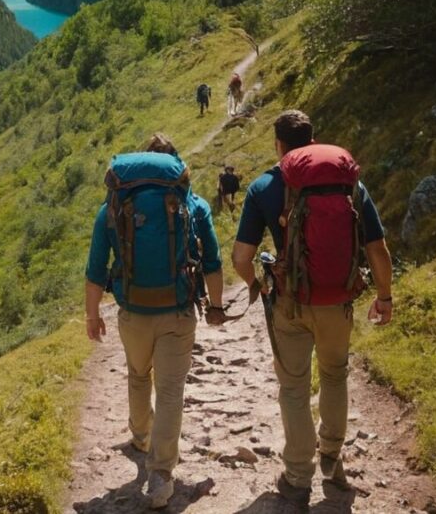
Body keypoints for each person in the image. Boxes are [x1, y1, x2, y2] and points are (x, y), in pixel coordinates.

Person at [231, 110, 393, 510]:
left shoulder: (264, 186)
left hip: (289, 301)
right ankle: (332, 458)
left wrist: (257, 286)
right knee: (335, 376)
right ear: (314, 138)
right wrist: (384, 296)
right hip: (338, 299)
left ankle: (297, 477)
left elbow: (240, 256)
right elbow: (377, 249)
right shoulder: (348, 182)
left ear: (279, 145)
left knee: (293, 387)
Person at [85, 133, 225, 509]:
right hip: (177, 312)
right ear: (175, 168)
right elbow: (211, 260)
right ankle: (161, 476)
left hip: (132, 312)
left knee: (137, 374)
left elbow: (96, 268)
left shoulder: (113, 208)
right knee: (170, 391)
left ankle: (141, 437)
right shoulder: (191, 205)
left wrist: (93, 314)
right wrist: (215, 305)